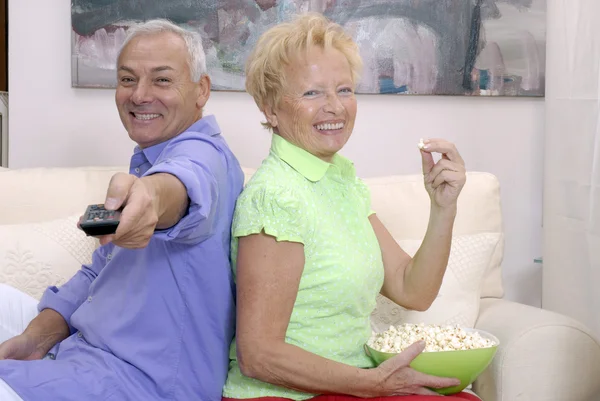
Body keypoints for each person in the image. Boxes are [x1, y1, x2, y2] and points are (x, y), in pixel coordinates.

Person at [222, 13, 474, 401]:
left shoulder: (342, 181)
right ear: (270, 109)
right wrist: (374, 384)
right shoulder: (275, 196)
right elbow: (258, 355)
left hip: (349, 384)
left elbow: (413, 290)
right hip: (287, 395)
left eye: (344, 90)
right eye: (312, 93)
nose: (334, 107)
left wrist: (443, 208)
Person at [0, 19, 244, 401]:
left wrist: (148, 197)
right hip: (83, 353)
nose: (140, 95)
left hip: (138, 383)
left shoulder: (206, 157)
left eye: (162, 80)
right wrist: (36, 338)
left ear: (202, 90)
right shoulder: (149, 158)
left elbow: (177, 190)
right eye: (128, 79)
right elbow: (100, 272)